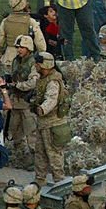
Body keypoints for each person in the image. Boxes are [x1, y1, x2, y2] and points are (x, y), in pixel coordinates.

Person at [30, 52, 68, 185]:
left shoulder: (53, 80)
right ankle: (39, 180)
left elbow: (51, 99)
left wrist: (40, 109)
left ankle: (60, 184)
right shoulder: (43, 78)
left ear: (44, 64)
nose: (35, 65)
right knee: (40, 153)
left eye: (37, 63)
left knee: (54, 156)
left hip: (53, 125)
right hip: (43, 124)